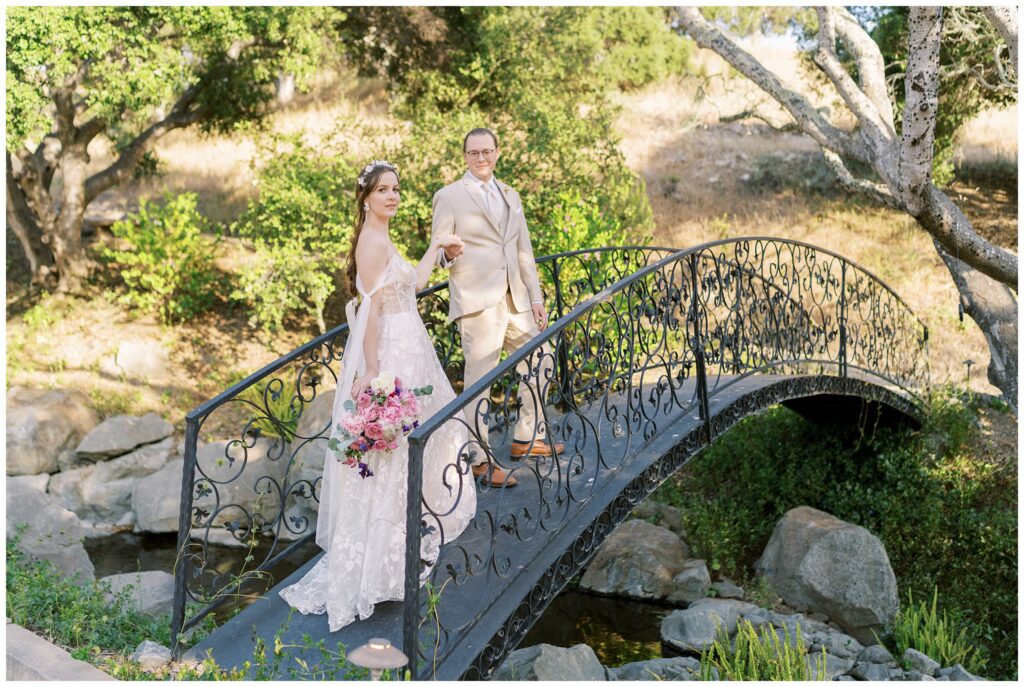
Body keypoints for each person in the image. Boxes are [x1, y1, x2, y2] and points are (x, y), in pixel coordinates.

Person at [279, 160, 477, 632]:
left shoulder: (384, 238)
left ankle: (401, 544)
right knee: (391, 453)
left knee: (423, 441)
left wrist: (437, 251)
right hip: (389, 353)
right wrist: (372, 371)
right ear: (365, 196)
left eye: (396, 189)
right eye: (383, 189)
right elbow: (368, 312)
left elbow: (411, 287)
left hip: (410, 345)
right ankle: (379, 565)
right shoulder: (370, 242)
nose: (392, 196)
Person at [431, 128, 565, 489]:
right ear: (465, 156)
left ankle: (527, 436)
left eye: (486, 151)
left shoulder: (511, 194)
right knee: (480, 385)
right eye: (473, 152)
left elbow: (524, 251)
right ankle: (480, 460)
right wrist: (447, 255)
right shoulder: (448, 196)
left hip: (517, 299)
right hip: (478, 304)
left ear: (497, 152)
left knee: (543, 359)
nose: (480, 158)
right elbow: (438, 252)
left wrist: (536, 299)